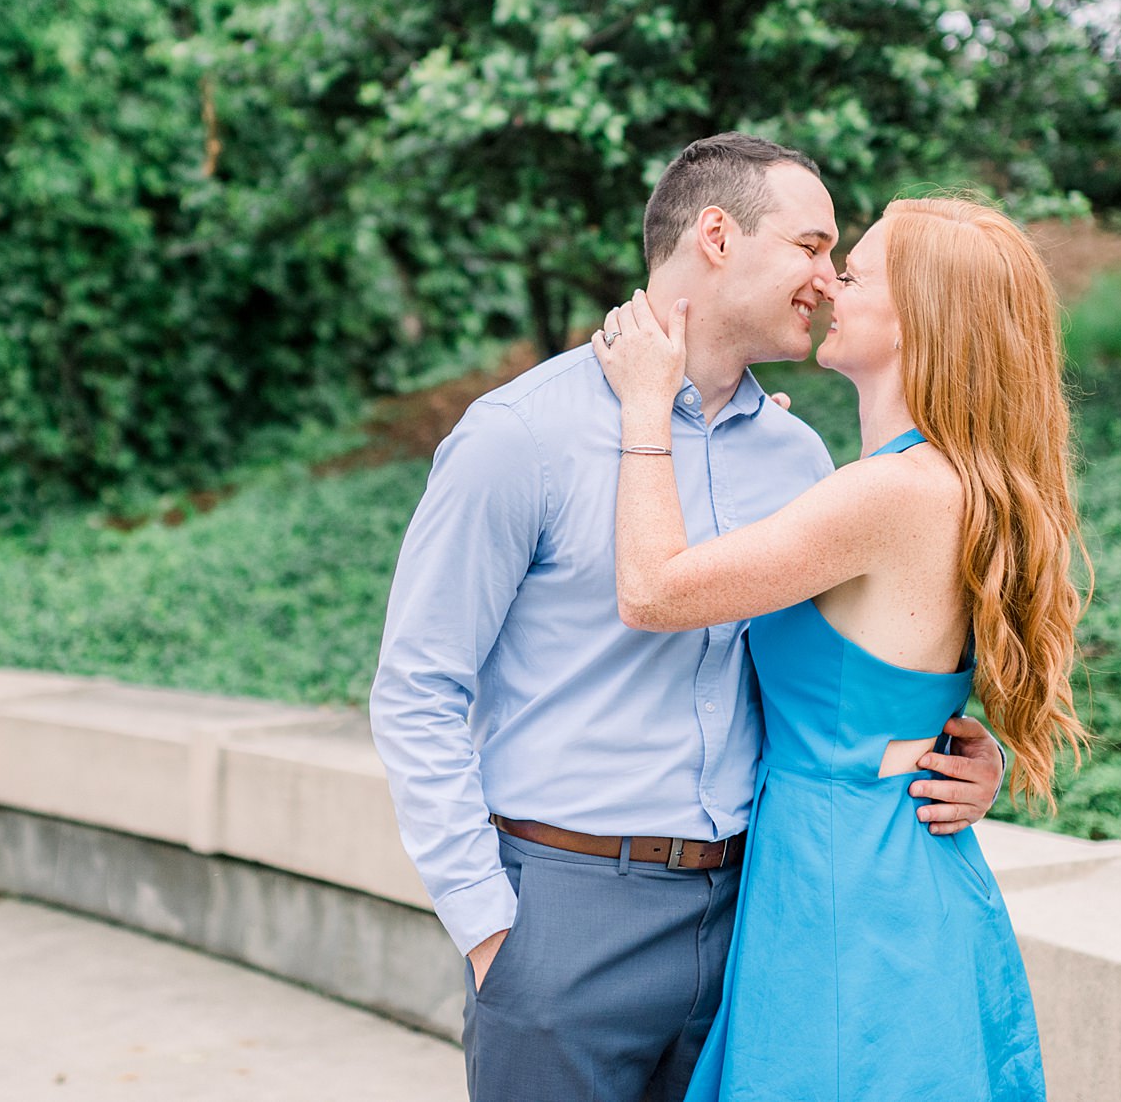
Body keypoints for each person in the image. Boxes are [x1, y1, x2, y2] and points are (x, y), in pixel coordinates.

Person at [371, 135, 1006, 1102]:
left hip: (759, 914)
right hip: (568, 915)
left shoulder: (800, 457)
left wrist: (956, 750)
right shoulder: (519, 436)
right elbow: (418, 686)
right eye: (810, 246)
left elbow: (846, 658)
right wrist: (490, 927)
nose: (828, 279)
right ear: (716, 233)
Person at [592, 193, 1088, 1101]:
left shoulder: (886, 495)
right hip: (892, 863)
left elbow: (654, 590)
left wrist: (645, 409)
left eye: (854, 275)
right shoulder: (944, 479)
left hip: (845, 886)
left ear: (917, 325)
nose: (827, 286)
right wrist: (960, 740)